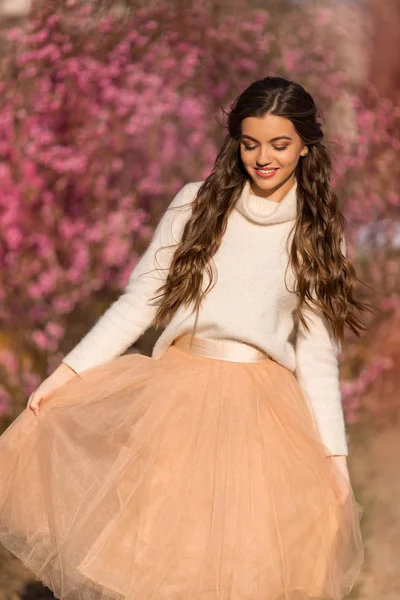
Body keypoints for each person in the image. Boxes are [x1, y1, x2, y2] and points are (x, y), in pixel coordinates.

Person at [0, 76, 369, 600]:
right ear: (236, 141)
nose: (263, 158)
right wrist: (67, 374)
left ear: (307, 144)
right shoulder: (196, 204)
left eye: (280, 144)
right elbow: (139, 302)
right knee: (158, 560)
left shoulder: (318, 229)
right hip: (178, 400)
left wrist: (335, 458)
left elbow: (315, 352)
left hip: (262, 414)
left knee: (239, 564)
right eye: (249, 143)